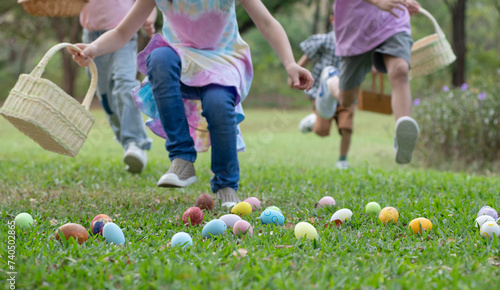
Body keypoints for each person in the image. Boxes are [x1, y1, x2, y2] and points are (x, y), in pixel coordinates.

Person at [70, 0, 314, 207]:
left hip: (223, 58)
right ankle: (182, 159)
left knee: (218, 104)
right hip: (181, 56)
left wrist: (290, 63)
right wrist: (93, 48)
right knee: (159, 56)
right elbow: (122, 32)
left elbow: (267, 23)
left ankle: (226, 183)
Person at [315, 0, 421, 165]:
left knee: (400, 69)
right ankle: (330, 81)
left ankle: (401, 136)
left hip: (392, 21)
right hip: (356, 28)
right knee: (347, 99)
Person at [79, 1, 156, 173]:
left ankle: (135, 143)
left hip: (124, 32)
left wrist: (149, 18)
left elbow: (148, 3)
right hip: (91, 37)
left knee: (124, 83)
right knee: (107, 100)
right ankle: (127, 144)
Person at [296, 13, 355, 170]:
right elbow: (307, 56)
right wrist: (294, 75)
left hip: (346, 92)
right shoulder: (325, 40)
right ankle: (314, 121)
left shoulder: (356, 43)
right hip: (324, 92)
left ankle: (342, 159)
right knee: (321, 131)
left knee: (346, 127)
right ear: (332, 20)